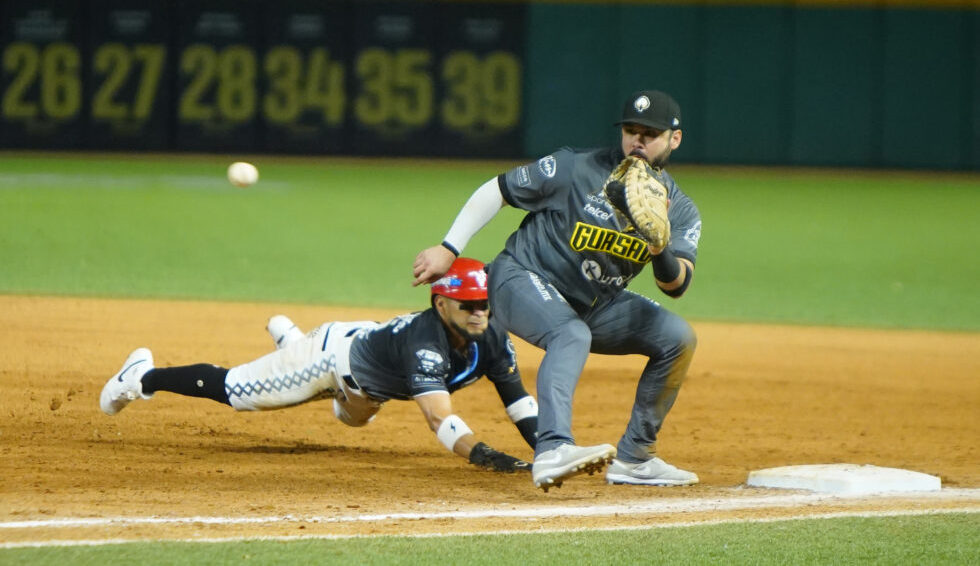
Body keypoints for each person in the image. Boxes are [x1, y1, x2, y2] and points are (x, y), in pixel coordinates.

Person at [413, 90, 701, 491]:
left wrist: (658, 243)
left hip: (596, 302)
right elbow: (498, 189)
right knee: (570, 333)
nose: (637, 140)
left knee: (678, 338)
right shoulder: (575, 167)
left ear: (674, 139)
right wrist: (449, 248)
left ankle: (635, 458)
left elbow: (676, 284)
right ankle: (552, 449)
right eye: (631, 130)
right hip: (521, 277)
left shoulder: (680, 209)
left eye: (649, 133)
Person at [99, 257, 537, 473]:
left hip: (369, 380)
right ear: (441, 304)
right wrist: (485, 457)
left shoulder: (491, 336)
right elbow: (437, 416)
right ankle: (140, 376)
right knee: (238, 392)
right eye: (469, 304)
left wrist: (548, 447)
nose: (480, 312)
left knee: (353, 420)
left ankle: (292, 344)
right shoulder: (425, 342)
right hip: (332, 361)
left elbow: (517, 399)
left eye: (485, 304)